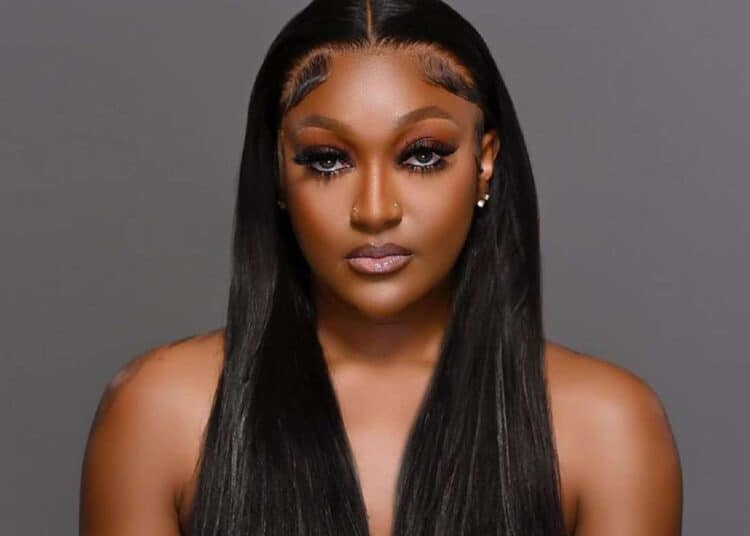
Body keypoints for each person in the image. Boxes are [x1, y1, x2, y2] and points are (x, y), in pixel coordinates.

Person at [79, 1, 683, 534]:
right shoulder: (160, 416)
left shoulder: (607, 430)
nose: (374, 210)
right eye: (327, 160)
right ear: (278, 174)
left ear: (485, 163)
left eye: (422, 155)